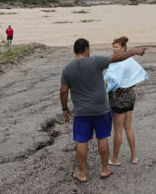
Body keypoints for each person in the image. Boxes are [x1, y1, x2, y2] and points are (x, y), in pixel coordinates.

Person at [60, 38, 147, 183]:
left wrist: (64, 108)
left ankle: (82, 173)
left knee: (81, 141)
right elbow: (117, 57)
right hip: (101, 109)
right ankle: (105, 169)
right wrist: (136, 52)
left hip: (81, 111)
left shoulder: (67, 69)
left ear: (75, 51)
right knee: (102, 138)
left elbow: (63, 91)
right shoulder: (96, 61)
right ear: (87, 49)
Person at [106, 36, 147, 166]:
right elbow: (139, 73)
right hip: (130, 96)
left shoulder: (117, 62)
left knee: (118, 129)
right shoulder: (130, 60)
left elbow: (115, 81)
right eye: (113, 47)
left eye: (116, 47)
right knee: (128, 126)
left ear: (123, 48)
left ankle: (115, 159)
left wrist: (106, 90)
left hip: (118, 98)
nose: (114, 49)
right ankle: (134, 157)